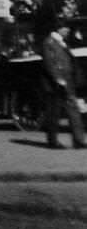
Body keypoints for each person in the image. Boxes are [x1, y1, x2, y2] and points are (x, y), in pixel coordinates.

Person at [41, 22, 86, 150]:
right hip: (55, 84)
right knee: (54, 113)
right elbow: (49, 63)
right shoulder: (49, 42)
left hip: (68, 82)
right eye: (66, 29)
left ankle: (78, 140)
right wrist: (58, 78)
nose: (67, 31)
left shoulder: (62, 42)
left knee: (74, 111)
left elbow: (69, 61)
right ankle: (53, 141)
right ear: (59, 29)